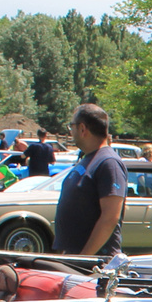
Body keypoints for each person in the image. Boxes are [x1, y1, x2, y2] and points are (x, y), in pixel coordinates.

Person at [52, 103, 128, 256]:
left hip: (93, 264)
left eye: (71, 126)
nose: (70, 131)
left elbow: (110, 217)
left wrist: (84, 258)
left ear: (82, 128)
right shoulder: (88, 158)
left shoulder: (108, 163)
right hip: (76, 259)